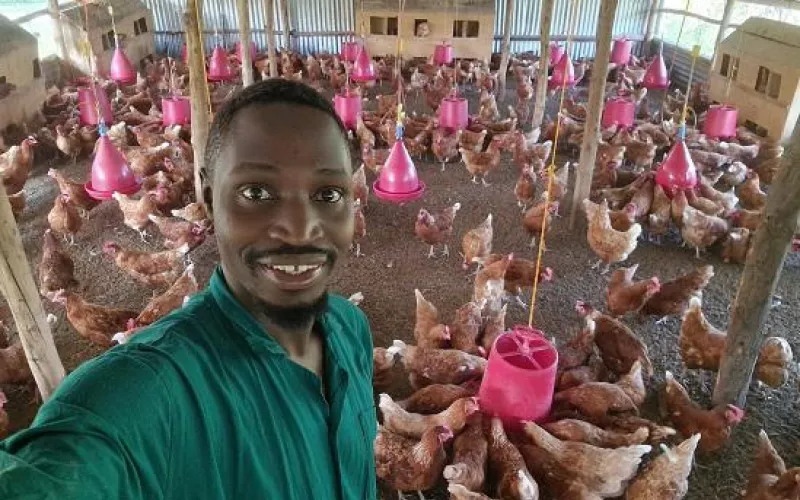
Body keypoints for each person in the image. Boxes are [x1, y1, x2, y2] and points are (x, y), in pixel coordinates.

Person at [0, 79, 376, 499]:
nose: (300, 227)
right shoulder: (151, 392)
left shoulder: (351, 330)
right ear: (211, 201)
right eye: (256, 192)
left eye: (328, 193)